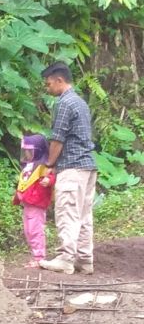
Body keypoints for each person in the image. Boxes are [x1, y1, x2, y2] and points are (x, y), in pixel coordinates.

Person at [38, 62, 97, 275]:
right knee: (83, 214)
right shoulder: (81, 102)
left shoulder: (64, 103)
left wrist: (49, 165)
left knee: (67, 212)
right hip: (88, 167)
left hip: (72, 167)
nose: (47, 88)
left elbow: (58, 138)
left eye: (48, 84)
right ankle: (85, 259)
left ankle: (65, 258)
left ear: (59, 80)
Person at [12, 133, 53, 268]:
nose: (26, 154)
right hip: (27, 204)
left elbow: (52, 176)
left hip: (37, 203)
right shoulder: (28, 166)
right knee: (28, 230)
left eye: (29, 151)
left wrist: (49, 180)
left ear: (38, 151)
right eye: (25, 151)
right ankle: (35, 255)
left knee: (35, 230)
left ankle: (39, 258)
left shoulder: (43, 166)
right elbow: (24, 182)